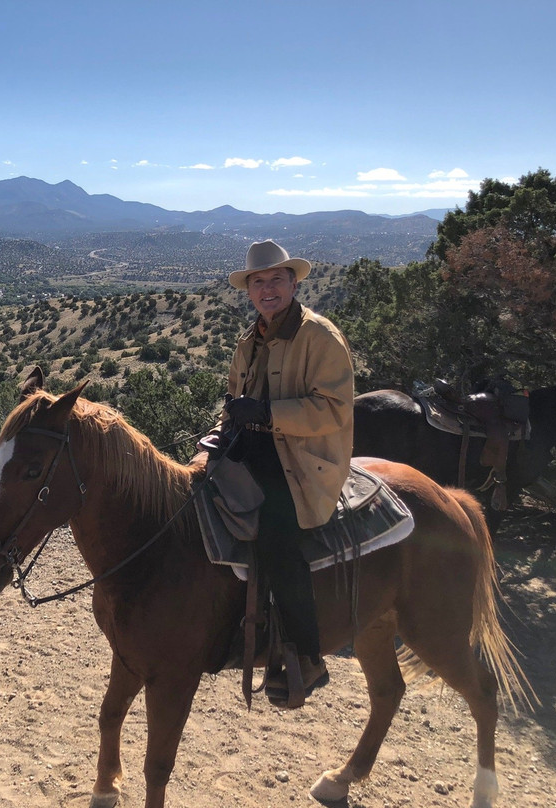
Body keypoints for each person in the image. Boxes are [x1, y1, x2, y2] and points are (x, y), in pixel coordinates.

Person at [209, 239, 354, 705]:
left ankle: (305, 655)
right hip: (255, 447)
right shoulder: (249, 341)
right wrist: (220, 432)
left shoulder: (321, 337)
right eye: (258, 282)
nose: (267, 289)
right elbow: (233, 402)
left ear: (293, 283)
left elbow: (333, 410)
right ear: (249, 291)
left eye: (276, 280)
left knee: (275, 532)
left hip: (304, 463)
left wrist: (267, 414)